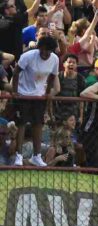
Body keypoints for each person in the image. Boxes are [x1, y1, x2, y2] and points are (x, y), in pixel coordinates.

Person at [12, 35, 59, 167]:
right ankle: (19, 156)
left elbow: (52, 76)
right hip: (23, 94)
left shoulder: (55, 59)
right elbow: (16, 72)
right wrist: (15, 92)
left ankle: (37, 156)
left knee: (38, 124)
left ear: (52, 50)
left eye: (47, 51)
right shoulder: (28, 56)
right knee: (21, 124)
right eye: (42, 50)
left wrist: (47, 92)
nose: (44, 53)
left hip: (39, 96)